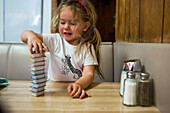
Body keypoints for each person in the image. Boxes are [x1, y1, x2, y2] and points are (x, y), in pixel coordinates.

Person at [21, 0, 104, 99]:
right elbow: (24, 35)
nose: (66, 27)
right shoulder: (55, 40)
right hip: (53, 91)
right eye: (62, 22)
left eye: (72, 23)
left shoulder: (87, 47)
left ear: (85, 26)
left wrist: (79, 85)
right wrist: (32, 37)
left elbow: (89, 74)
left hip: (74, 92)